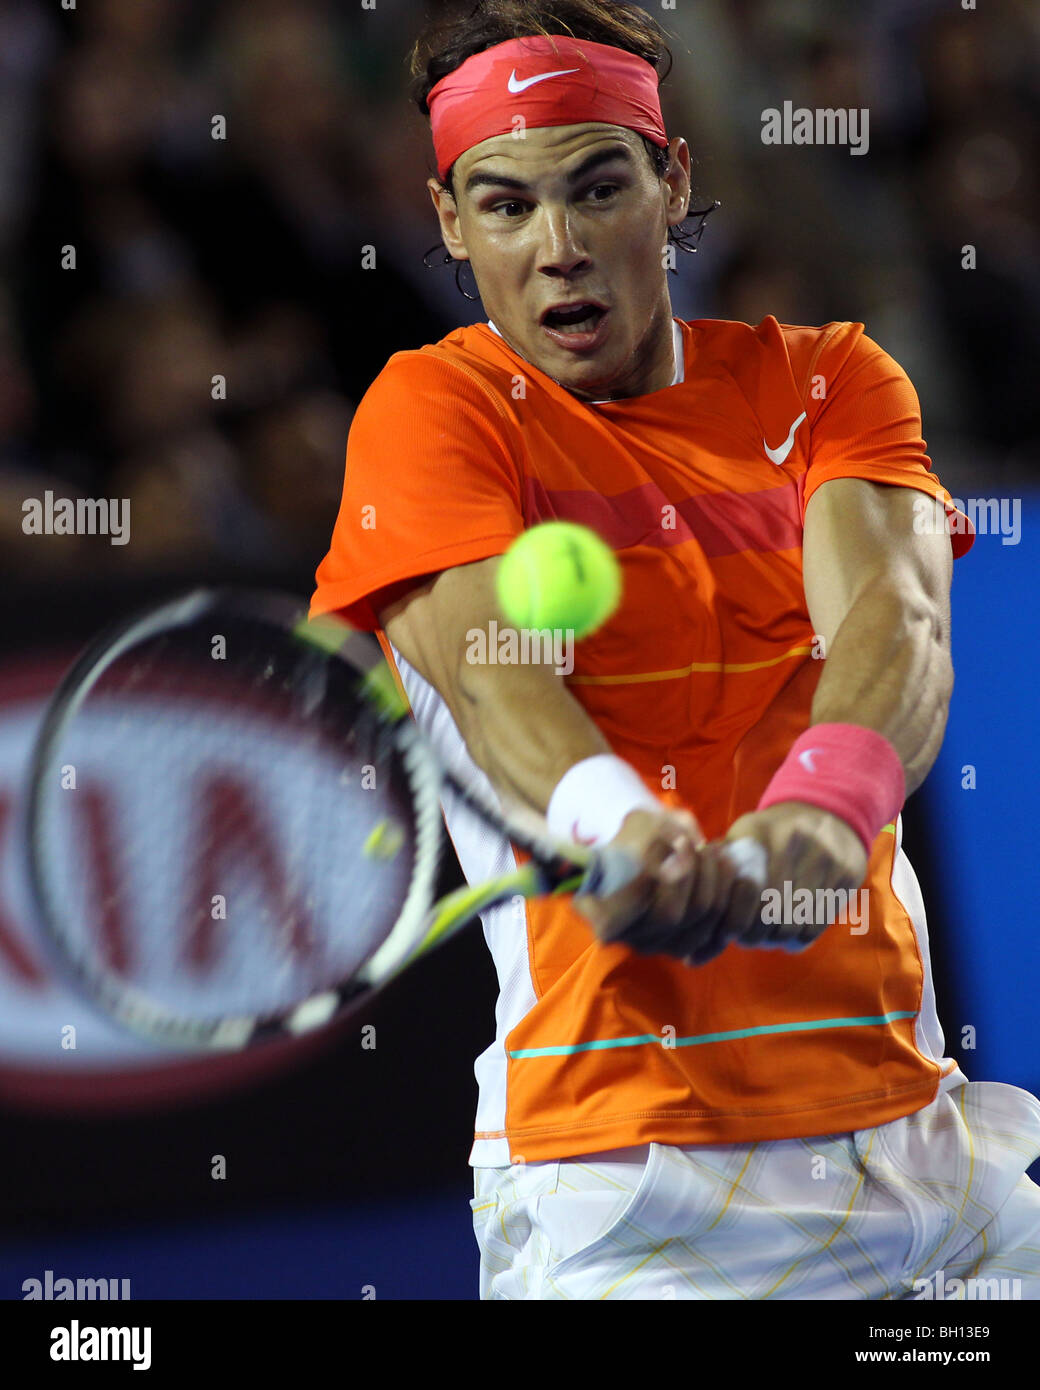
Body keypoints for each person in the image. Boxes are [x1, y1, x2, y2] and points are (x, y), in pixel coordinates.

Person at [312, 0, 1040, 1299]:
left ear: (673, 180)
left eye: (600, 187)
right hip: (643, 1184)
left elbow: (900, 620)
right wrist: (616, 821)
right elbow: (487, 672)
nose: (559, 248)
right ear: (445, 220)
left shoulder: (829, 379)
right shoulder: (432, 408)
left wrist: (825, 806)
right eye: (504, 205)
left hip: (928, 1148)